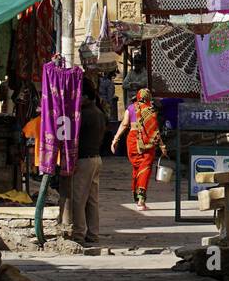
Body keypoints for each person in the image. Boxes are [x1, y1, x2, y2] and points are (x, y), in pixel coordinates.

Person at [60, 75, 107, 246]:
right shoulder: (98, 112)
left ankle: (79, 234)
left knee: (78, 199)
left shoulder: (85, 115)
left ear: (85, 97)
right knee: (92, 200)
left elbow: (71, 136)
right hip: (95, 159)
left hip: (85, 160)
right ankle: (93, 234)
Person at [110, 88, 163, 211]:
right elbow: (155, 129)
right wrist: (161, 145)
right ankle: (141, 200)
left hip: (133, 141)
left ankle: (136, 196)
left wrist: (115, 139)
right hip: (147, 142)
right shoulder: (152, 110)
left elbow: (124, 124)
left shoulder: (131, 108)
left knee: (136, 168)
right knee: (145, 169)